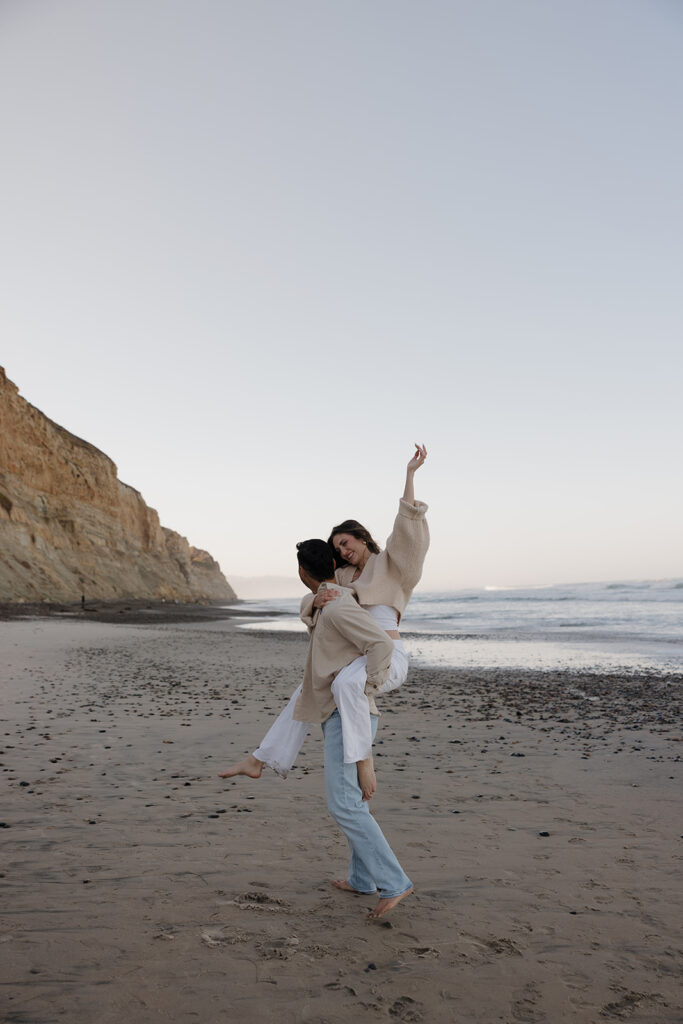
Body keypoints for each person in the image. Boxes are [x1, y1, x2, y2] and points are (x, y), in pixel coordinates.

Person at [219, 444, 429, 799]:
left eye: (346, 543)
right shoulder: (343, 577)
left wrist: (409, 474)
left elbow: (407, 528)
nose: (344, 551)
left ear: (361, 536)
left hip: (386, 655)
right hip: (354, 656)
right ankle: (260, 758)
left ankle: (364, 760)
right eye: (338, 549)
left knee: (346, 684)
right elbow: (319, 595)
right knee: (308, 688)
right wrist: (314, 599)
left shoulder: (392, 566)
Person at [296, 538, 413, 919]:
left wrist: (369, 686)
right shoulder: (329, 602)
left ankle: (394, 882)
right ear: (333, 565)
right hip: (339, 712)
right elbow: (313, 609)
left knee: (344, 804)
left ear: (301, 572)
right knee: (353, 800)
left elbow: (381, 645)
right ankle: (362, 879)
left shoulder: (337, 607)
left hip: (349, 714)